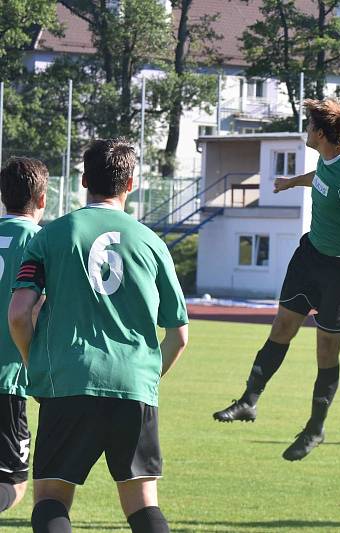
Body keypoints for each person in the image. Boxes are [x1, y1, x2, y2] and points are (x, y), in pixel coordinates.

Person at [8, 138, 189, 533]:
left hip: (70, 380)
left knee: (53, 499)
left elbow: (19, 313)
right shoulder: (152, 243)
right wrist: (145, 380)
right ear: (131, 184)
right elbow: (179, 335)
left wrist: (32, 362)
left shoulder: (52, 235)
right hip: (134, 384)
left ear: (84, 179)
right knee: (143, 505)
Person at [212, 98, 340, 462]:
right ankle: (249, 401)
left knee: (325, 350)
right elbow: (320, 178)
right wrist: (291, 183)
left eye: (309, 126)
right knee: (282, 325)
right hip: (311, 256)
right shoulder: (326, 159)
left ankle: (315, 429)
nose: (306, 131)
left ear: (320, 133)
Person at [0, 157, 48, 515]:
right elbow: (33, 309)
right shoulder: (40, 241)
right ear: (42, 199)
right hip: (9, 378)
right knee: (13, 481)